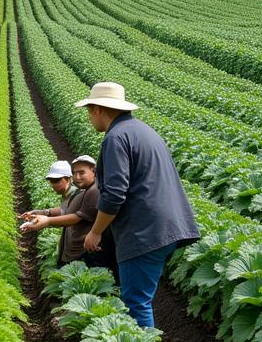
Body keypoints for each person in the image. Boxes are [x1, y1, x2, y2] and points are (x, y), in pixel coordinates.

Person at [75, 82, 199, 328]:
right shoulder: (143, 131)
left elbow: (114, 194)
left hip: (144, 231)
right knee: (140, 298)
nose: (89, 116)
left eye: (89, 110)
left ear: (99, 109)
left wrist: (96, 232)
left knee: (136, 302)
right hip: (168, 226)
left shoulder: (115, 137)